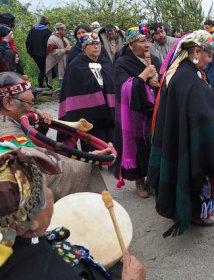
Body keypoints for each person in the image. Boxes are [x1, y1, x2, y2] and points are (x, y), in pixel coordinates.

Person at [0, 144, 146, 280]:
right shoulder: (61, 274)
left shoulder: (14, 246)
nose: (50, 192)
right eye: (46, 188)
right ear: (33, 222)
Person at [148, 30, 214, 236]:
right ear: (197, 51)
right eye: (209, 55)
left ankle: (177, 208)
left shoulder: (178, 71)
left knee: (177, 169)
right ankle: (191, 212)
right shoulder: (189, 79)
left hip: (176, 136)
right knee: (190, 171)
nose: (210, 61)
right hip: (187, 140)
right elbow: (203, 118)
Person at [0, 71, 110, 201]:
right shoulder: (8, 137)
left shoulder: (9, 123)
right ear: (8, 102)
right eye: (29, 103)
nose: (32, 109)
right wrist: (87, 163)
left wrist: (39, 129)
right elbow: (45, 177)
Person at [114, 24, 161, 199]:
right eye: (142, 41)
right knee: (137, 146)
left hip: (152, 110)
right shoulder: (122, 63)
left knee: (155, 143)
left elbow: (162, 80)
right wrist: (143, 76)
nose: (147, 44)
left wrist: (158, 83)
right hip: (133, 112)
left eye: (147, 40)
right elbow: (123, 88)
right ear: (131, 44)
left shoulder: (154, 59)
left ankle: (155, 179)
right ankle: (139, 181)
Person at [58, 33, 115, 152]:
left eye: (98, 44)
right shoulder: (76, 66)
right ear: (84, 48)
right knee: (92, 149)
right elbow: (71, 92)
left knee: (111, 144)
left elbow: (112, 84)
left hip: (108, 115)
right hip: (87, 117)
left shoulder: (106, 63)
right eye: (92, 44)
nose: (96, 47)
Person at [25, 16, 51, 88]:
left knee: (43, 69)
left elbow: (27, 42)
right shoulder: (47, 32)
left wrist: (30, 53)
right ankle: (48, 86)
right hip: (44, 55)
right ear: (46, 25)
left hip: (35, 55)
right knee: (46, 70)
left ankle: (42, 85)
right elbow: (49, 44)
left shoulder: (32, 30)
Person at [45, 23, 71, 89]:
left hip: (66, 60)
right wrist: (64, 50)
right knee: (61, 78)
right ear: (59, 30)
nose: (65, 31)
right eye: (64, 30)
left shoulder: (65, 39)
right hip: (57, 62)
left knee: (68, 77)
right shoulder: (52, 39)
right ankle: (62, 94)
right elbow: (51, 52)